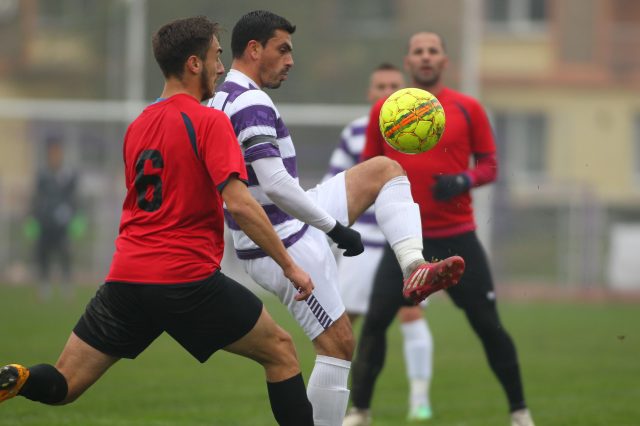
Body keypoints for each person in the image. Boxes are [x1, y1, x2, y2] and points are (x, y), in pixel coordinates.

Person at [0, 16, 317, 426]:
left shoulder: (137, 127)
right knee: (281, 351)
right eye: (216, 57)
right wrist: (290, 266)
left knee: (64, 384)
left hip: (126, 280)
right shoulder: (209, 121)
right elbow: (239, 204)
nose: (222, 67)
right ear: (194, 63)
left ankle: (19, 378)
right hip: (185, 279)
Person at [208, 11, 465, 426]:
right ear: (254, 50)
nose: (291, 60)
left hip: (288, 221)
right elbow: (274, 184)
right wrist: (335, 229)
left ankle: (414, 266)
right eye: (283, 49)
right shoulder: (250, 100)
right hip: (281, 240)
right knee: (338, 345)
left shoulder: (222, 96)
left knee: (385, 169)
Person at [343, 32, 535, 426]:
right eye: (418, 51)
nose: (426, 57)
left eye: (433, 51)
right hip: (403, 242)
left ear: (444, 61)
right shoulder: (387, 109)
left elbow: (490, 165)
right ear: (408, 61)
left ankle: (520, 411)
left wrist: (463, 180)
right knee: (375, 323)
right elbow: (366, 171)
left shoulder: (468, 109)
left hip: (458, 236)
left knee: (488, 324)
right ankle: (359, 412)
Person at [324, 62, 435, 421]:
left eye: (394, 85)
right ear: (370, 94)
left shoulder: (423, 130)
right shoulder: (355, 132)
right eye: (380, 86)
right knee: (343, 323)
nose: (387, 92)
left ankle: (419, 398)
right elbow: (335, 182)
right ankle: (344, 405)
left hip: (399, 243)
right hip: (362, 242)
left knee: (411, 311)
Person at [29, 136, 78, 301]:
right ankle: (44, 285)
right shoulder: (42, 175)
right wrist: (33, 218)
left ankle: (66, 285)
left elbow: (74, 198)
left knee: (65, 253)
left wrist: (73, 215)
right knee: (44, 254)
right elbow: (36, 198)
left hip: (62, 224)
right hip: (45, 222)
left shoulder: (68, 175)